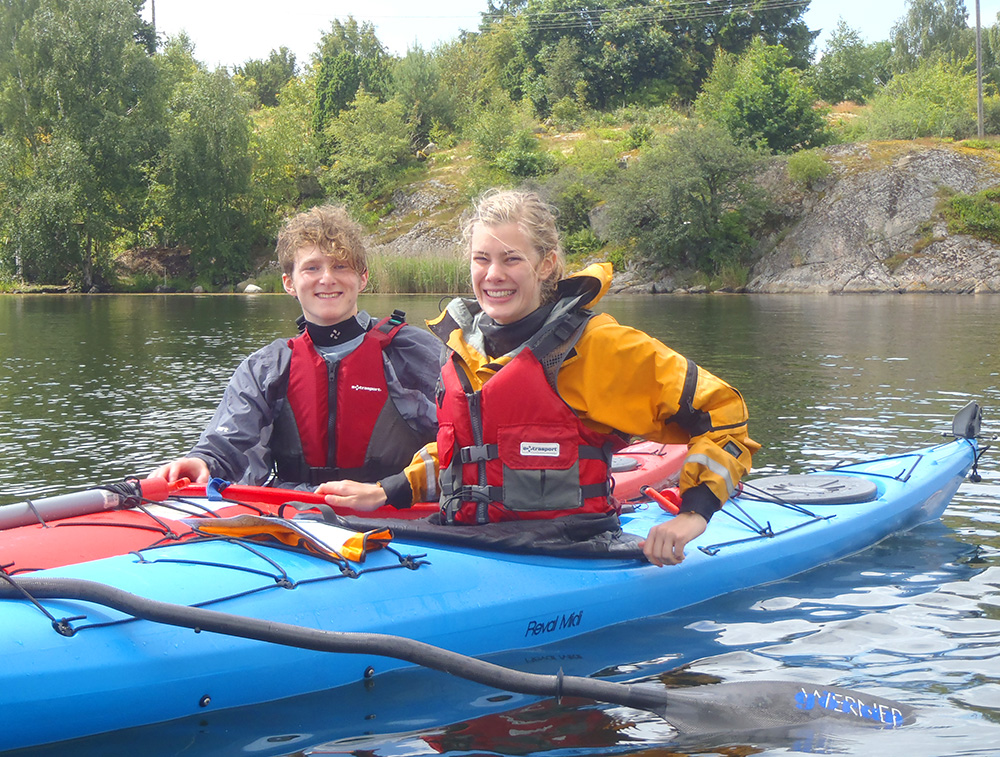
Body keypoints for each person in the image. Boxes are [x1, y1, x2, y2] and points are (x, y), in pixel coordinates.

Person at [312, 189, 759, 567]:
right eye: (481, 259)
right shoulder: (466, 349)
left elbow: (722, 412)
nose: (493, 275)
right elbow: (464, 453)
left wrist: (693, 515)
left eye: (512, 259)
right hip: (470, 543)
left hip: (567, 551)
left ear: (546, 265)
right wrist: (384, 491)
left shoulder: (598, 346)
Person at [150, 204, 439, 490]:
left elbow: (463, 433)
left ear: (362, 278)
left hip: (391, 507)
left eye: (340, 265)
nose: (327, 278)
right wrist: (203, 462)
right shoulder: (267, 368)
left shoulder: (409, 350)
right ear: (289, 283)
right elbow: (226, 443)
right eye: (312, 268)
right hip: (298, 511)